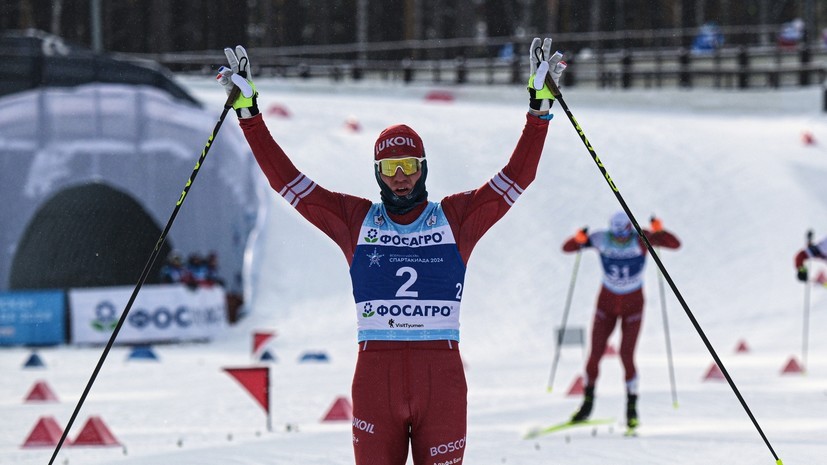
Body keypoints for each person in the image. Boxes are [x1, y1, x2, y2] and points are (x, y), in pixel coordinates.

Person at [215, 39, 566, 465]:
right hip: (375, 380)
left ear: (423, 168)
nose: (400, 178)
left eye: (408, 167)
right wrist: (249, 114)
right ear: (377, 174)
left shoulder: (455, 218)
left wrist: (539, 110)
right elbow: (287, 182)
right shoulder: (355, 220)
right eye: (390, 169)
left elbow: (517, 177)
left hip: (441, 379)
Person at [561, 211, 680, 430]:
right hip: (605, 305)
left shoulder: (640, 237)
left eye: (623, 236)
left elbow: (674, 244)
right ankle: (587, 405)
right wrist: (579, 238)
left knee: (626, 355)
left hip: (633, 306)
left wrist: (658, 231)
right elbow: (567, 248)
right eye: (616, 236)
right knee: (594, 354)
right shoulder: (600, 238)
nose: (620, 240)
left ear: (629, 230)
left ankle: (631, 409)